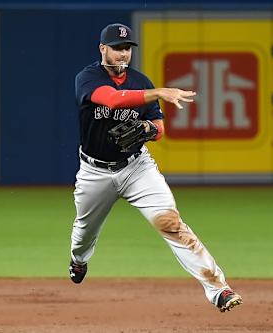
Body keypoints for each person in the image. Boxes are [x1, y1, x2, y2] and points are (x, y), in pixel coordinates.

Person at [69, 22, 242, 312]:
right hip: (94, 172)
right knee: (84, 233)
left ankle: (219, 289)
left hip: (137, 168)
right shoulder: (87, 78)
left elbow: (159, 128)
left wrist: (149, 128)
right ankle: (78, 261)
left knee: (172, 224)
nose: (123, 54)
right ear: (103, 49)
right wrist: (161, 91)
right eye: (117, 48)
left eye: (127, 48)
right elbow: (110, 100)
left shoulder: (142, 82)